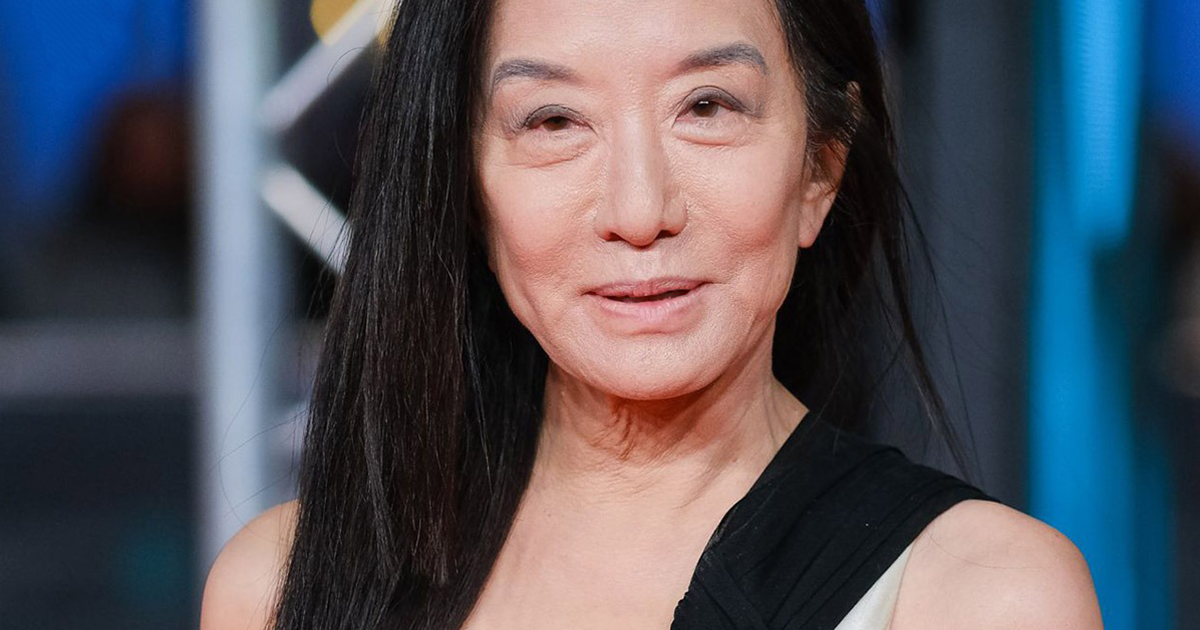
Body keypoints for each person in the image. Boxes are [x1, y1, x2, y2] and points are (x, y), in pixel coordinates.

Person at [200, 0, 1104, 628]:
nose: (639, 210)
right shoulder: (284, 590)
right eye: (554, 121)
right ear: (466, 186)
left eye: (706, 107)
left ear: (820, 167)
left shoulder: (977, 599)